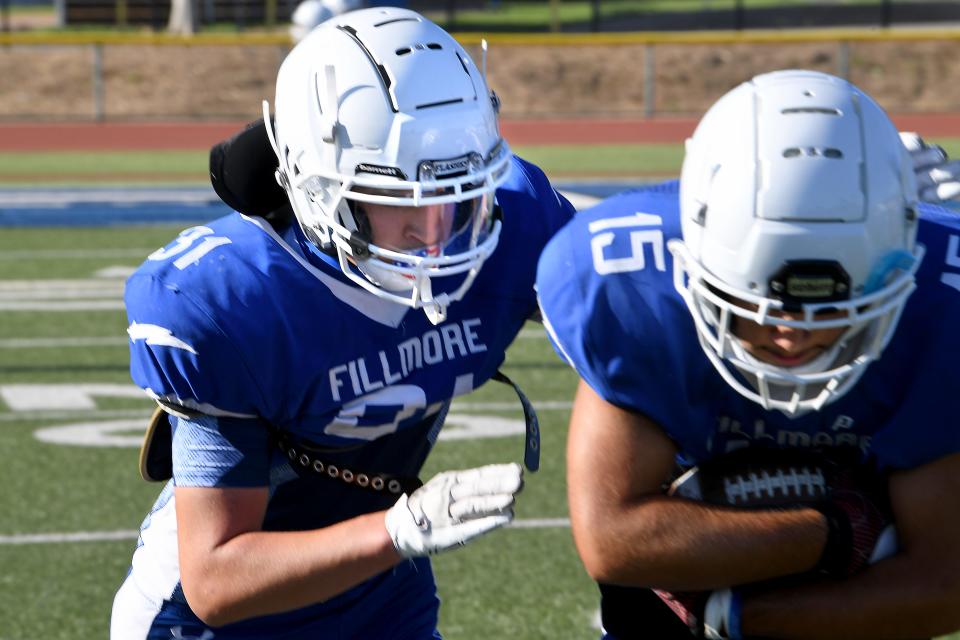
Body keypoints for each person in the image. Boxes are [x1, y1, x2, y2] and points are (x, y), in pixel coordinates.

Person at [111, 8, 575, 639]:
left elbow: (639, 345)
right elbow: (217, 577)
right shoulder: (236, 301)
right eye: (396, 200)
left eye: (458, 195)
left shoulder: (515, 231)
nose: (435, 234)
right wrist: (398, 528)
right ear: (319, 188)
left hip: (381, 597)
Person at [535, 69, 960, 639]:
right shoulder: (630, 288)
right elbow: (613, 541)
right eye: (758, 306)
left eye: (834, 311)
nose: (792, 337)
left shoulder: (939, 306)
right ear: (694, 260)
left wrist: (743, 618)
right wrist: (833, 531)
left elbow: (944, 581)